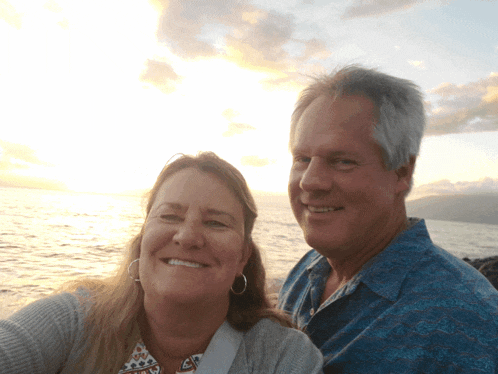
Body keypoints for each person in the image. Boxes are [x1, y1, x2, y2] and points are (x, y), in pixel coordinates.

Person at [0, 152, 323, 374]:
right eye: (169, 216)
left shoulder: (283, 356)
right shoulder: (73, 322)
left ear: (242, 257)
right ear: (142, 240)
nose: (188, 236)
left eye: (216, 223)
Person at [277, 65, 498, 373]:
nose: (310, 181)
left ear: (401, 173)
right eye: (302, 159)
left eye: (342, 161)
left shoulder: (470, 323)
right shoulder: (307, 272)